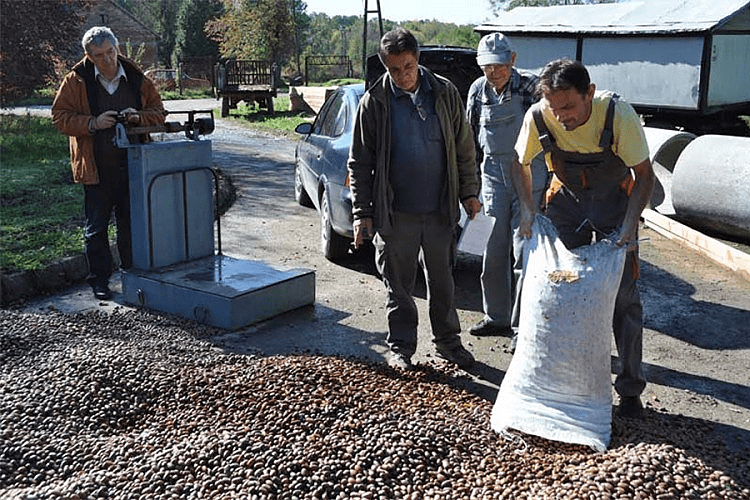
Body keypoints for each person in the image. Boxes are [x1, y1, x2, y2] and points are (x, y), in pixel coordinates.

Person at [512, 59, 655, 418]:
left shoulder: (618, 116)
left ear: (589, 93)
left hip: (615, 202)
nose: (561, 117)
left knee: (622, 297)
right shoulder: (540, 116)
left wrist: (628, 226)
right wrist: (528, 210)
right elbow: (519, 163)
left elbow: (644, 175)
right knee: (557, 287)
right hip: (567, 202)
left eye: (570, 107)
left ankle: (630, 390)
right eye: (555, 108)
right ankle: (558, 378)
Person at [347, 28, 482, 370]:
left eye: (407, 66)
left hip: (439, 209)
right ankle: (401, 347)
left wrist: (469, 192)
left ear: (417, 59)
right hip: (396, 214)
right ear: (385, 66)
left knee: (443, 284)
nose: (402, 76)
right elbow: (359, 162)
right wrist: (362, 212)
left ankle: (448, 343)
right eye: (394, 69)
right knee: (399, 286)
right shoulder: (374, 103)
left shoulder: (444, 92)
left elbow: (464, 147)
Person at [52, 26, 165, 300]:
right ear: (89, 57)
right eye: (99, 55)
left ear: (117, 49)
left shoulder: (136, 77)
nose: (107, 60)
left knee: (131, 226)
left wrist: (138, 117)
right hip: (95, 168)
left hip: (134, 167)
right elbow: (59, 117)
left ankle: (132, 276)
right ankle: (100, 282)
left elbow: (158, 113)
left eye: (111, 52)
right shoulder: (76, 80)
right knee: (96, 229)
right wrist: (92, 123)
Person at [465, 33, 547, 341]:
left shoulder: (531, 87)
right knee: (492, 249)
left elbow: (549, 136)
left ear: (512, 60)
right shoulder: (477, 90)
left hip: (527, 176)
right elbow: (469, 140)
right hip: (492, 179)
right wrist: (470, 186)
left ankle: (522, 327)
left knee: (523, 251)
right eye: (487, 66)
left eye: (499, 65)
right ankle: (495, 316)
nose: (493, 72)